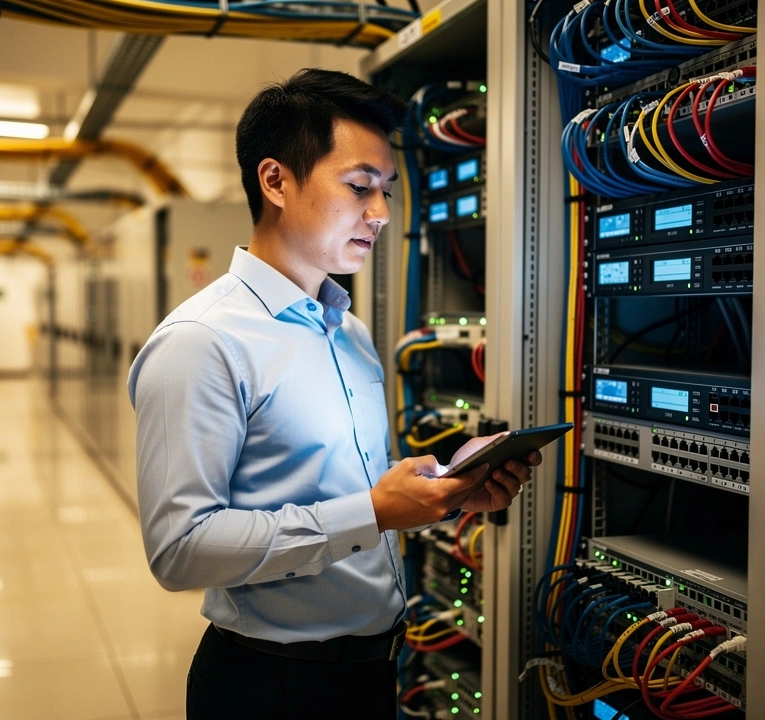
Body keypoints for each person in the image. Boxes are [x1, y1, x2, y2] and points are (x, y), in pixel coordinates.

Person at [127, 68, 540, 720]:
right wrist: (372, 513)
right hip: (271, 686)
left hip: (372, 672)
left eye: (387, 191)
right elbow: (180, 550)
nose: (379, 215)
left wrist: (443, 491)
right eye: (358, 187)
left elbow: (346, 489)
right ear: (275, 181)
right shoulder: (202, 343)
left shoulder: (345, 329)